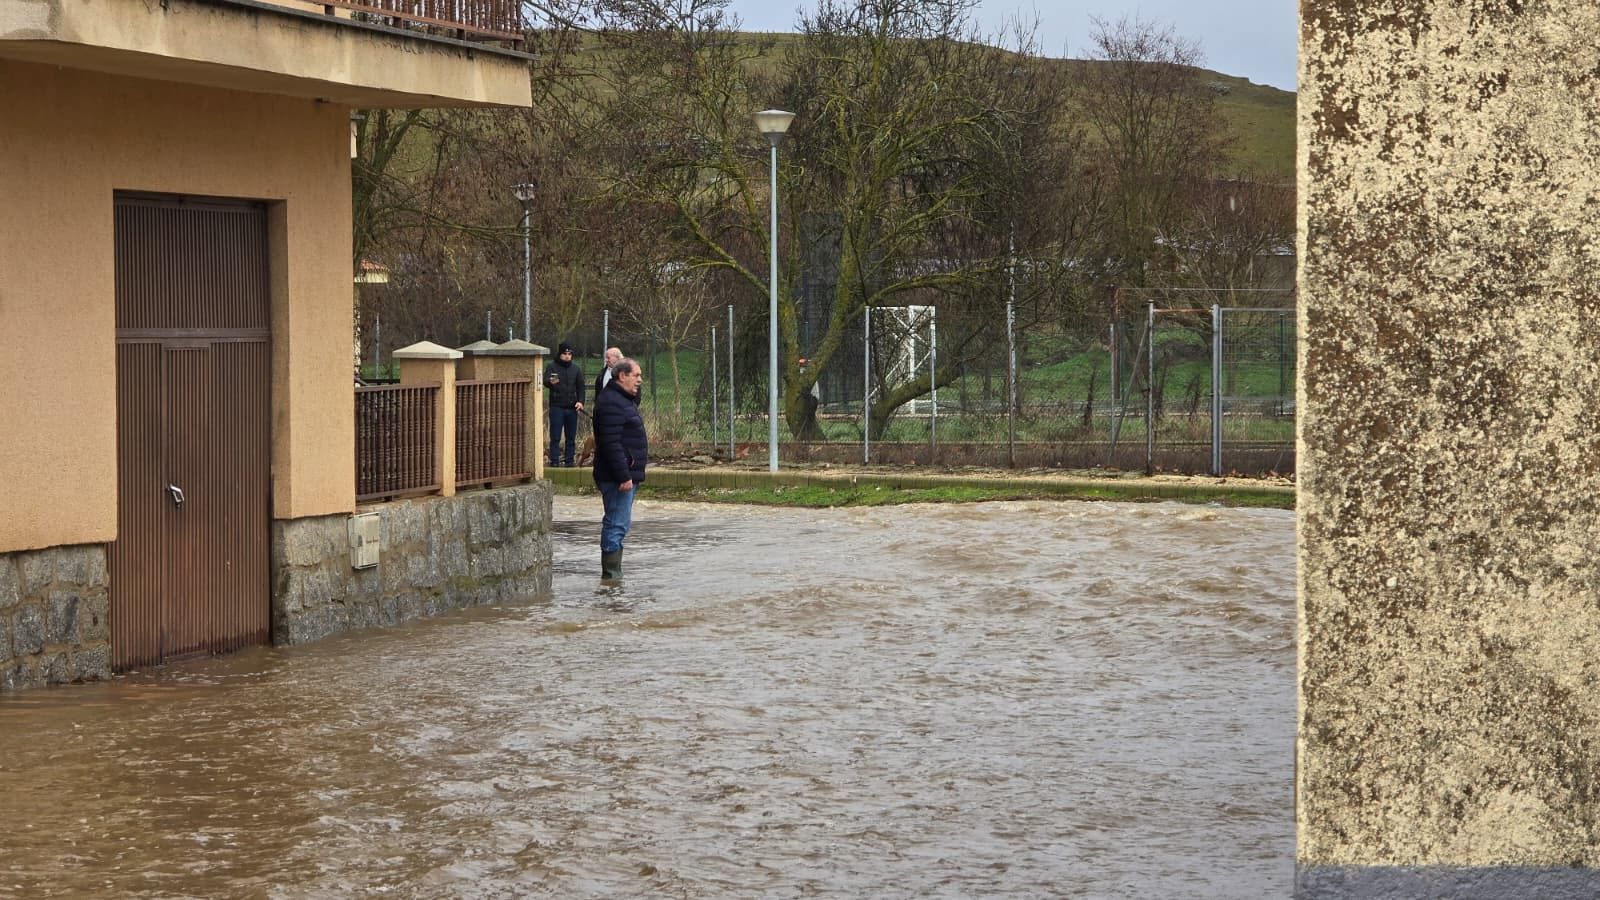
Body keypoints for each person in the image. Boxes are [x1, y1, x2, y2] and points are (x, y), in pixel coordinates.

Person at [592, 357, 646, 579]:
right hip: (617, 477)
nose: (639, 380)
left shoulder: (622, 399)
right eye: (636, 375)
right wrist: (624, 476)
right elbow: (610, 443)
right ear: (622, 376)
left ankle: (614, 577)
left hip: (625, 474)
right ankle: (611, 579)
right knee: (616, 524)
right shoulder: (612, 402)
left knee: (619, 524)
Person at [543, 341, 584, 467]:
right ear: (560, 354)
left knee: (570, 437)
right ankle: (554, 461)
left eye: (569, 354)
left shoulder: (576, 369)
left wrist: (580, 402)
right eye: (565, 353)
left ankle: (569, 461)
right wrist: (550, 382)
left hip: (572, 407)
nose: (567, 356)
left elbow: (580, 387)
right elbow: (545, 381)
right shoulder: (552, 366)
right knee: (555, 436)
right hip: (557, 406)